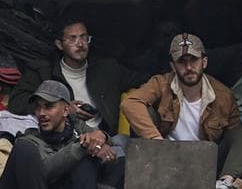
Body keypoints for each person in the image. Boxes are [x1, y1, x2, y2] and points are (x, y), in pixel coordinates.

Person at [0, 80, 129, 189]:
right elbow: (45, 171)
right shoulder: (30, 139)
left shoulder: (78, 127)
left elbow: (105, 142)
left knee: (122, 157)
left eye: (48, 107)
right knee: (84, 155)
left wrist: (102, 137)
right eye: (38, 107)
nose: (41, 113)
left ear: (65, 110)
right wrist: (84, 146)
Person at [122, 33, 242, 186]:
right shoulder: (161, 83)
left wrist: (231, 172)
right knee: (145, 111)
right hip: (162, 160)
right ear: (173, 66)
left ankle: (224, 186)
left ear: (204, 62)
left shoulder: (223, 95)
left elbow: (236, 140)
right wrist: (156, 140)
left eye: (194, 60)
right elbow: (130, 103)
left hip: (204, 163)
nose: (189, 67)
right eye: (182, 62)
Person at [8, 17, 148, 135]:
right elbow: (16, 102)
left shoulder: (107, 69)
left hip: (105, 137)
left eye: (84, 37)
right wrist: (63, 109)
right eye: (72, 39)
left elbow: (144, 80)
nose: (80, 44)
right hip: (64, 137)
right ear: (59, 44)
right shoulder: (43, 71)